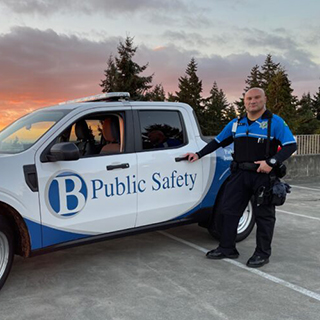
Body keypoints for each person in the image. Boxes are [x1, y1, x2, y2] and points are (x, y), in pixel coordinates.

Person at [186, 88, 297, 268]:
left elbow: (290, 145)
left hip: (263, 175)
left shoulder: (274, 122)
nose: (252, 101)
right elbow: (218, 141)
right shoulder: (237, 124)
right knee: (228, 211)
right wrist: (198, 154)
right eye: (248, 98)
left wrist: (271, 162)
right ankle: (227, 248)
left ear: (264, 99)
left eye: (256, 98)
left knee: (264, 216)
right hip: (239, 174)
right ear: (244, 102)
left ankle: (262, 253)